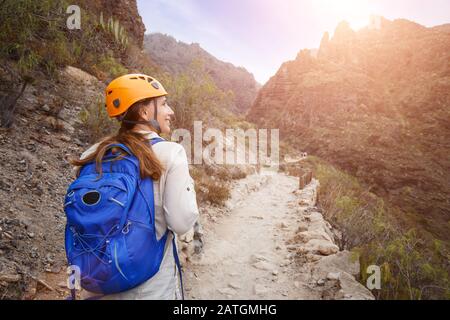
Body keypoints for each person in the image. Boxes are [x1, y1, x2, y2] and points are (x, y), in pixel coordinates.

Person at [71, 74, 199, 299]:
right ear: (143, 112)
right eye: (163, 104)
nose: (170, 112)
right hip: (149, 287)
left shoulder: (91, 154)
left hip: (96, 282)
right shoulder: (170, 153)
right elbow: (181, 223)